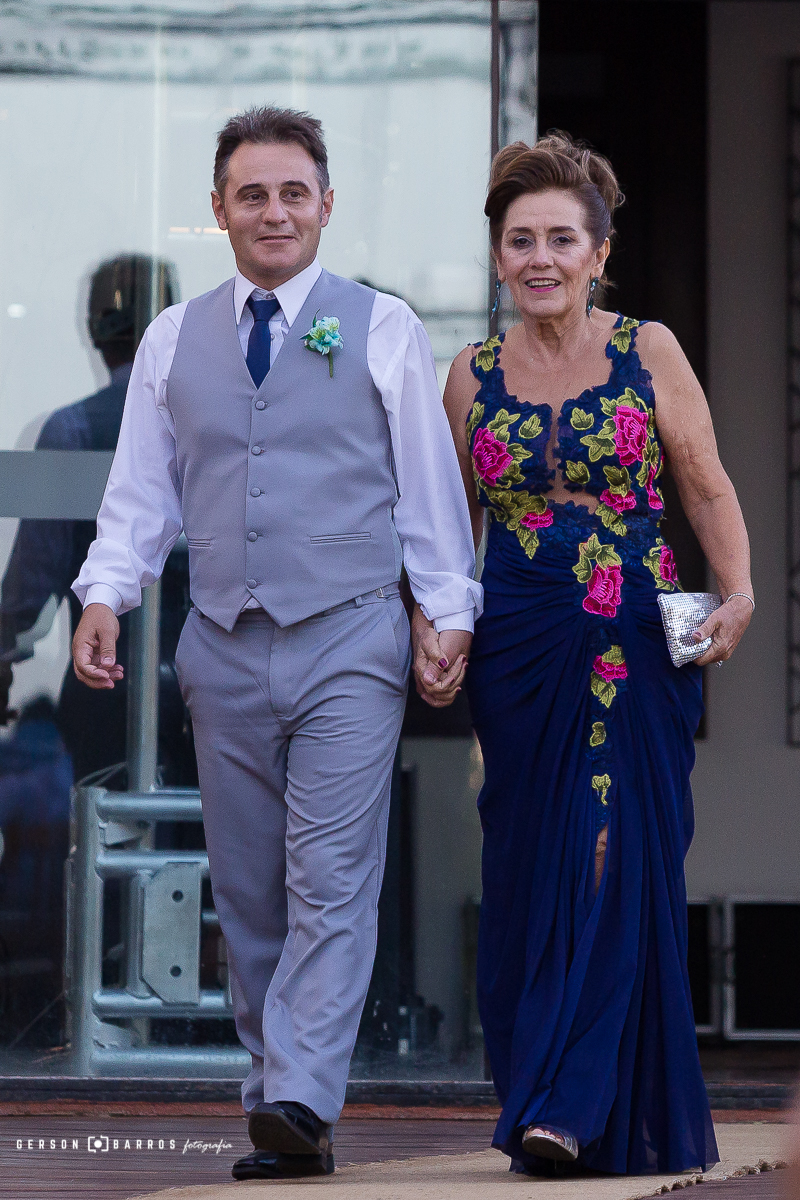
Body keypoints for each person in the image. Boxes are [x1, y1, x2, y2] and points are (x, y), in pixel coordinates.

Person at [70, 106, 481, 1180]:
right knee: (247, 888)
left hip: (348, 634)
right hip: (221, 641)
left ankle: (301, 1092)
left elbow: (428, 493)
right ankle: (274, 1094)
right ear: (219, 211)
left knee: (331, 878)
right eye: (251, 193)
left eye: (293, 191)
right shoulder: (172, 337)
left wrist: (445, 610)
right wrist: (105, 594)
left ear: (325, 205)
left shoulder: (380, 326)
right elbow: (140, 495)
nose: (274, 210)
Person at [425, 132, 753, 1176]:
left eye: (560, 238)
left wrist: (739, 589)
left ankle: (573, 1103)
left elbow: (700, 480)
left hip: (632, 631)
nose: (538, 257)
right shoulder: (466, 377)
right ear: (495, 258)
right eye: (518, 239)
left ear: (597, 252)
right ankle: (536, 1090)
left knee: (616, 848)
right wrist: (435, 624)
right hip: (517, 642)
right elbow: (442, 533)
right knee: (525, 862)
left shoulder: (646, 349)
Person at [0, 255, 194, 784]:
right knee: (217, 856)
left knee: (103, 851)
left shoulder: (71, 431)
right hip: (216, 691)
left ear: (93, 330)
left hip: (105, 690)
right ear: (169, 319)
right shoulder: (213, 425)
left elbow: (27, 592)